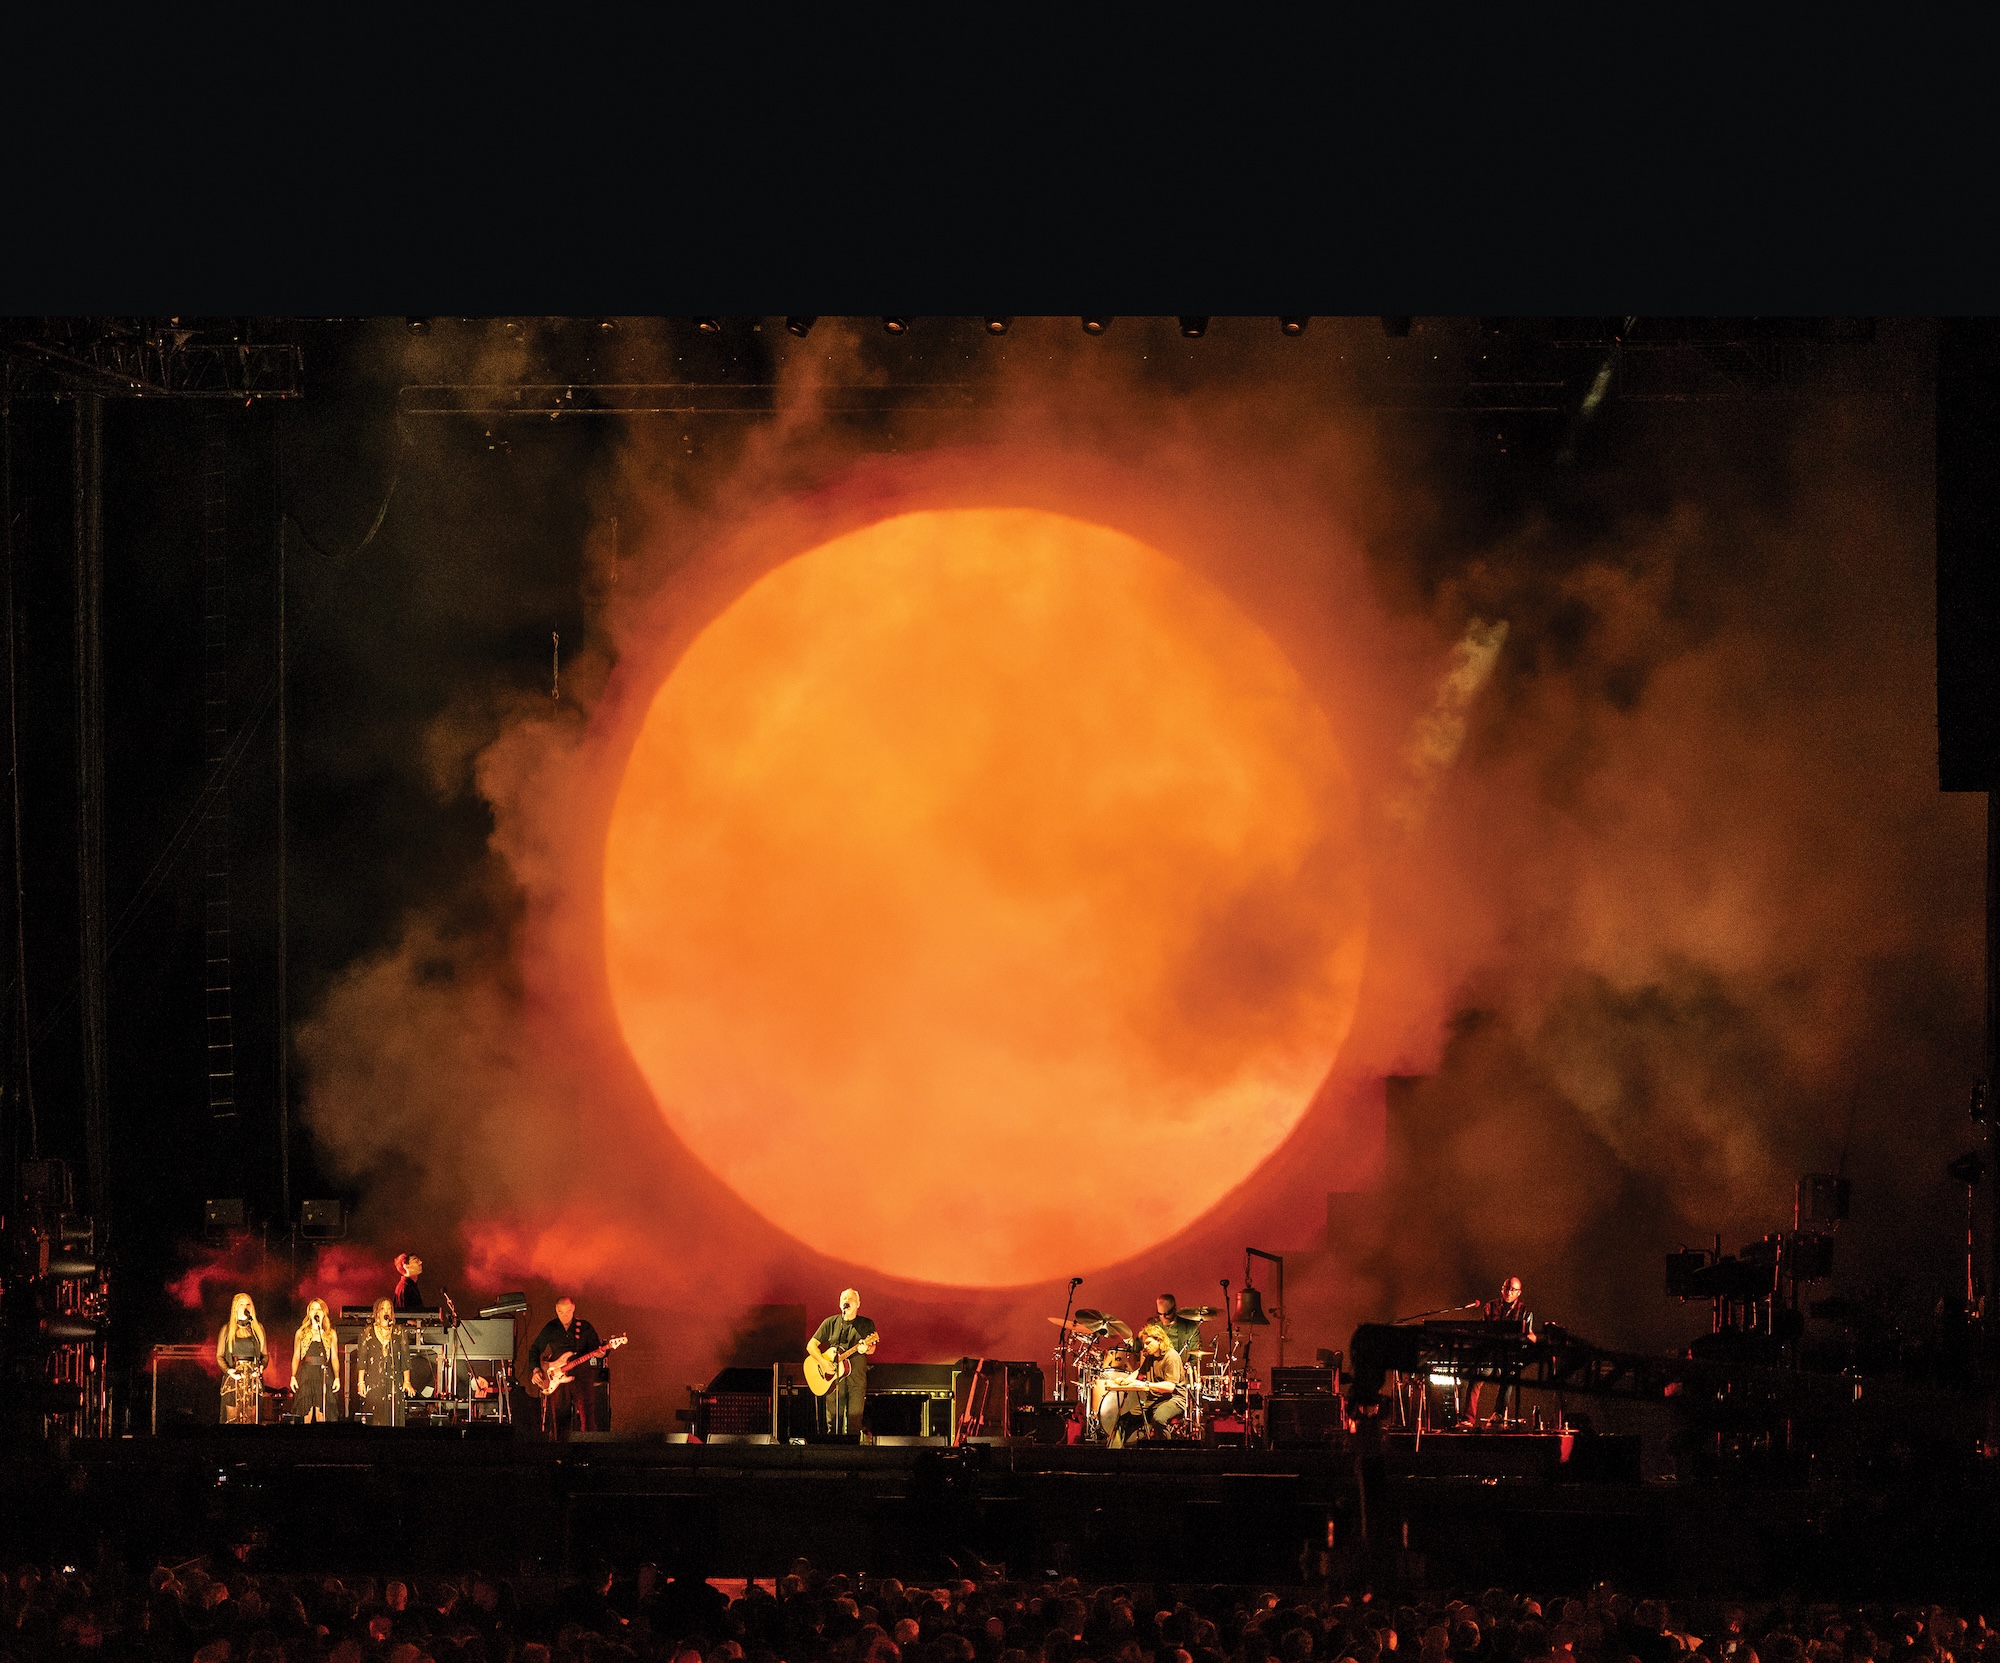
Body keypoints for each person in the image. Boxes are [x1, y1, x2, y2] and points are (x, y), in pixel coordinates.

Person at [529, 1296, 609, 1436]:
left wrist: (602, 1353)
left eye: (567, 1312)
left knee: (587, 1416)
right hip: (557, 1378)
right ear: (556, 1310)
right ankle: (560, 1446)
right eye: (560, 1312)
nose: (564, 1316)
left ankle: (588, 1446)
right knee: (560, 1418)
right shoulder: (551, 1327)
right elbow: (535, 1349)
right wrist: (536, 1369)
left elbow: (597, 1349)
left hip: (582, 1376)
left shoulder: (584, 1327)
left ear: (573, 1309)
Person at [1097, 1321, 1184, 1447]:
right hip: (1154, 1399)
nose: (1145, 1346)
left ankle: (1164, 1453)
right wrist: (1126, 1380)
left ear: (1159, 1340)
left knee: (1159, 1419)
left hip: (1174, 1400)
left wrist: (1146, 1385)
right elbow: (1139, 1372)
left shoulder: (1171, 1356)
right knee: (1123, 1421)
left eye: (1148, 1343)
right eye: (1144, 1343)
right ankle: (1116, 1452)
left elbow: (1170, 1387)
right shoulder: (1151, 1356)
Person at [807, 1287, 878, 1437]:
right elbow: (811, 1345)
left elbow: (872, 1348)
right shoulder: (830, 1323)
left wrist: (865, 1348)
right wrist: (823, 1362)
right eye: (844, 1299)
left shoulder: (866, 1324)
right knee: (833, 1424)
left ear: (858, 1303)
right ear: (840, 1304)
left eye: (851, 1299)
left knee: (854, 1423)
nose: (847, 1301)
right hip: (833, 1382)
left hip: (856, 1381)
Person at [1467, 1275, 1535, 1426]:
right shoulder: (1490, 1307)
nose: (1509, 1292)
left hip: (1510, 1357)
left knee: (1509, 1377)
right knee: (1476, 1377)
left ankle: (1497, 1414)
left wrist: (1534, 1340)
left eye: (1513, 1290)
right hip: (1491, 1355)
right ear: (1502, 1289)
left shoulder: (1525, 1311)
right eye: (1506, 1288)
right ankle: (1468, 1419)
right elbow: (1482, 1330)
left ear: (1519, 1293)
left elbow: (1529, 1335)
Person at [355, 1296, 412, 1426]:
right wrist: (361, 1382)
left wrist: (407, 1381)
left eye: (389, 1308)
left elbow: (405, 1358)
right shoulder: (367, 1332)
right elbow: (362, 1358)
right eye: (382, 1308)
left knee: (393, 1417)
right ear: (377, 1312)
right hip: (374, 1381)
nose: (386, 1311)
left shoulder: (399, 1331)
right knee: (376, 1417)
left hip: (394, 1380)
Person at [215, 1293, 268, 1425]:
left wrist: (261, 1367)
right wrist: (228, 1370)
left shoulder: (257, 1329)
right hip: (234, 1378)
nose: (245, 1307)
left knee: (252, 1417)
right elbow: (219, 1356)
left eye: (248, 1304)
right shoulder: (227, 1329)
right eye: (242, 1304)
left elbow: (265, 1355)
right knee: (232, 1417)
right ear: (235, 1307)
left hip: (252, 1378)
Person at [290, 1299, 338, 1423]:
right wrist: (293, 1376)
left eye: (319, 1309)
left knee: (321, 1412)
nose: (316, 1311)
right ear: (309, 1313)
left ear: (324, 1312)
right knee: (307, 1412)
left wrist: (337, 1377)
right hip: (307, 1373)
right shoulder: (301, 1333)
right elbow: (296, 1355)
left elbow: (334, 1357)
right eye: (313, 1309)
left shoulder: (330, 1334)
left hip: (323, 1374)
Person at [1154, 1294, 1204, 1359]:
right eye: (1160, 1314)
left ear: (1174, 1309)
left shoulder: (1190, 1327)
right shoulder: (1154, 1326)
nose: (1163, 1317)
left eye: (1167, 1313)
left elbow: (1195, 1357)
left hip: (1181, 1364)